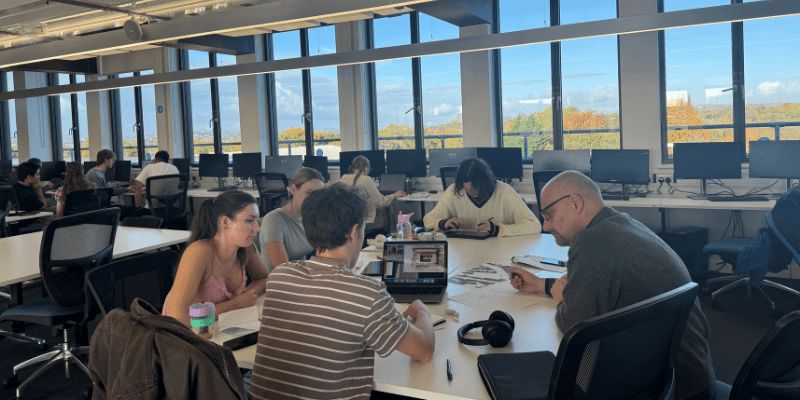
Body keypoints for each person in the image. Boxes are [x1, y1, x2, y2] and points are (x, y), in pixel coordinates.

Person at [508, 171, 715, 400]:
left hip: (670, 388)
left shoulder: (592, 242)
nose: (545, 225)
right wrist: (543, 285)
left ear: (575, 203)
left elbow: (573, 324)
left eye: (549, 214)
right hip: (688, 374)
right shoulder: (621, 225)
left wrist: (560, 298)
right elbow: (599, 287)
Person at [250, 184, 435, 400]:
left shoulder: (280, 276)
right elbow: (423, 351)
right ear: (354, 232)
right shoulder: (367, 293)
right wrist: (423, 312)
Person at [162, 190, 269, 328]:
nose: (257, 228)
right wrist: (234, 305)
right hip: (183, 336)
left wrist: (249, 295)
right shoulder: (200, 252)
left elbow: (264, 279)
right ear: (225, 222)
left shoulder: (246, 248)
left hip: (221, 329)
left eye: (257, 221)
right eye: (249, 221)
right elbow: (178, 320)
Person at [423, 157, 541, 237]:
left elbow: (534, 226)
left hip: (498, 251)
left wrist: (497, 229)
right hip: (465, 252)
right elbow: (428, 220)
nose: (472, 194)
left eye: (475, 189)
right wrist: (443, 223)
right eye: (467, 190)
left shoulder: (505, 192)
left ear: (486, 183)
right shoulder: (455, 191)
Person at [260, 167, 324, 272]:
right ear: (293, 190)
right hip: (278, 283)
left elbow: (325, 254)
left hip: (301, 277)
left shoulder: (312, 217)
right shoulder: (274, 220)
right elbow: (283, 270)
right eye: (309, 193)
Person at [339, 155, 405, 229]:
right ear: (366, 168)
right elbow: (382, 202)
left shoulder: (343, 178)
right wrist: (395, 195)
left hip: (348, 221)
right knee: (385, 210)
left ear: (353, 167)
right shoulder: (366, 179)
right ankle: (387, 237)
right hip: (365, 222)